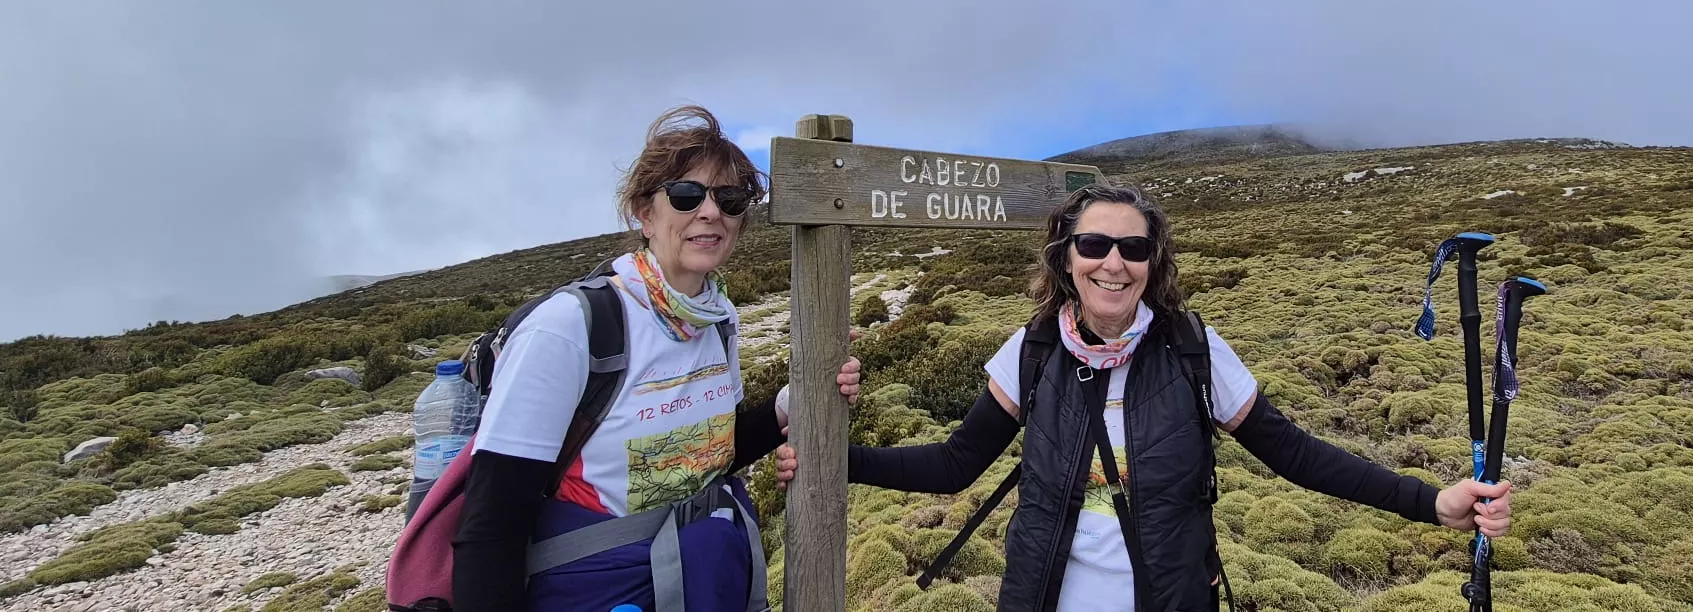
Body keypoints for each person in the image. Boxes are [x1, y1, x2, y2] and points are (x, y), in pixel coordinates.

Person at [775, 181, 1512, 611]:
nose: (1114, 264)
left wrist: (1428, 502)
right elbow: (952, 465)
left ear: (1152, 261)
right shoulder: (1030, 350)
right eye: (1094, 245)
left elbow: (1293, 454)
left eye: (1133, 248)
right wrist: (837, 459)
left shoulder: (1193, 348)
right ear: (1067, 258)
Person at [453, 105, 860, 612]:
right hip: (596, 588)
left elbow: (712, 455)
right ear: (644, 213)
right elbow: (491, 525)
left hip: (697, 581)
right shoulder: (570, 328)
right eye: (687, 195)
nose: (710, 213)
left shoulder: (717, 319)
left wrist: (791, 404)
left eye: (729, 199)